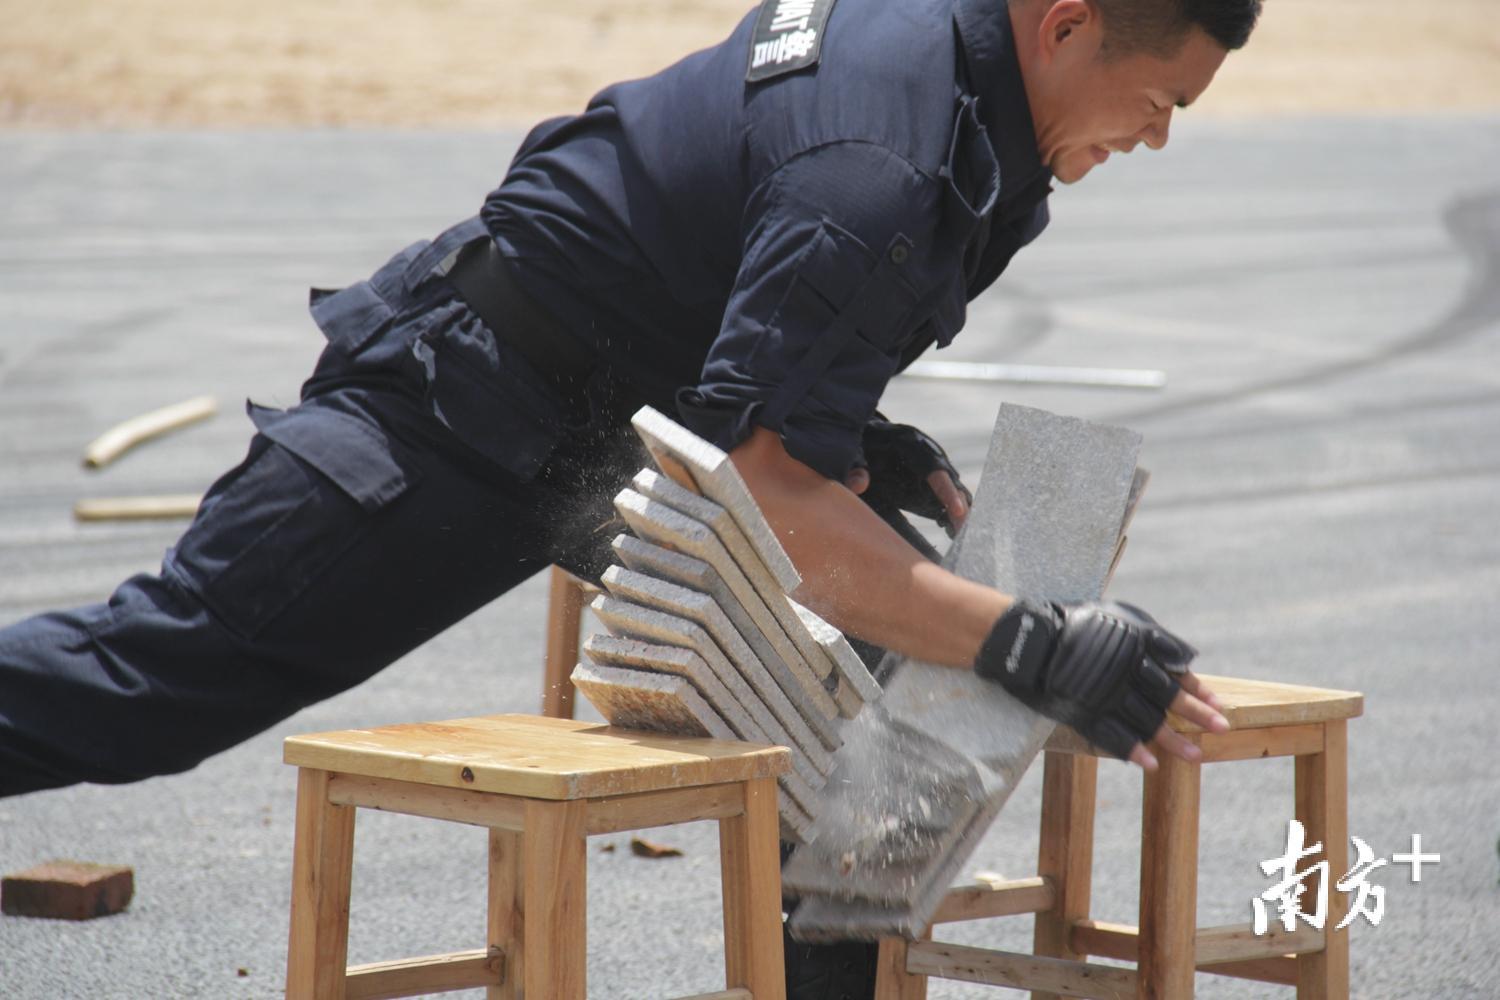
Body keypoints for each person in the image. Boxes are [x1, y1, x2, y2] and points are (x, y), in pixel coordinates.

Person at [1, 0, 1257, 993]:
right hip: (461, 402)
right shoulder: (882, 156)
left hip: (625, 412)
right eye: (1159, 103)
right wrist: (1032, 641)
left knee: (884, 676)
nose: (1154, 136)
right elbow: (763, 506)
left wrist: (858, 426)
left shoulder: (970, 92)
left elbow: (746, 287)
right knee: (155, 684)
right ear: (1067, 24)